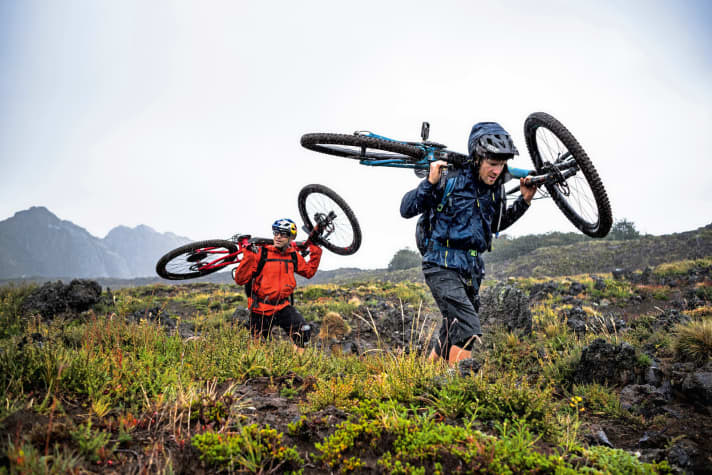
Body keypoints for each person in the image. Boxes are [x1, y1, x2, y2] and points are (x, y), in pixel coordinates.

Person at [400, 122, 538, 365]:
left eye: (502, 164)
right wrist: (429, 184)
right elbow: (406, 208)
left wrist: (524, 203)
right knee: (467, 327)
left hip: (472, 268)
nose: (498, 170)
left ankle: (425, 377)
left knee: (451, 328)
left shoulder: (495, 190)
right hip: (440, 262)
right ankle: (458, 390)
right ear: (477, 158)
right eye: (492, 163)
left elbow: (494, 225)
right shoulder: (449, 178)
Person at [233, 218, 322, 348]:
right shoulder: (261, 253)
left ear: (291, 237)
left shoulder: (293, 255)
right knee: (258, 348)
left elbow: (309, 272)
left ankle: (298, 366)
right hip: (260, 308)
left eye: (283, 234)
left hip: (283, 306)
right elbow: (240, 279)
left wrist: (316, 250)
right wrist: (248, 255)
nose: (278, 237)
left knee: (303, 332)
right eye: (276, 233)